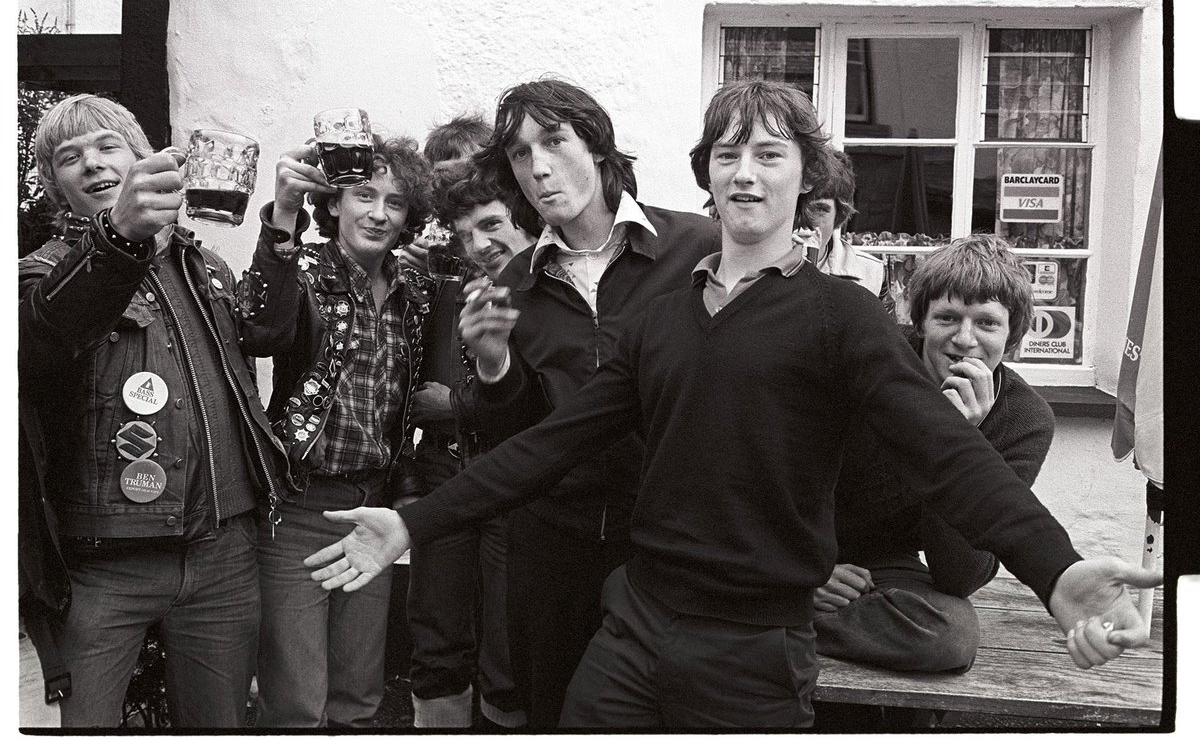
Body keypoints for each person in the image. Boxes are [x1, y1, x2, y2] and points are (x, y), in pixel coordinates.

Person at [303, 80, 1158, 729]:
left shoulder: (842, 316)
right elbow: (552, 442)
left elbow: (952, 453)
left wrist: (1058, 570)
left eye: (770, 155)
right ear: (705, 173)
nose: (745, 175)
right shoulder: (664, 313)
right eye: (727, 155)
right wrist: (415, 523)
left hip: (755, 653)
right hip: (633, 629)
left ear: (806, 177)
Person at [442, 78, 719, 729]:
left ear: (596, 145)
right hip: (551, 559)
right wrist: (492, 365)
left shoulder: (695, 249)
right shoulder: (515, 283)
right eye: (518, 154)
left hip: (666, 550)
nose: (537, 166)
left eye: (553, 140)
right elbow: (514, 440)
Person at [18, 93, 293, 727]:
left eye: (107, 145)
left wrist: (282, 221)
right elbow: (42, 337)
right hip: (102, 564)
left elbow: (270, 333)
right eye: (69, 157)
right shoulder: (41, 272)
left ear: (144, 158)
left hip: (224, 551)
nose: (90, 163)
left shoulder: (203, 265)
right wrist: (118, 239)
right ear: (58, 190)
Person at [811, 234, 1054, 728]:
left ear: (1014, 337)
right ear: (920, 321)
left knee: (951, 635)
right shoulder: (867, 365)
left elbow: (961, 575)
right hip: (800, 543)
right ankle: (774, 603)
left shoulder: (1024, 418)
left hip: (888, 569)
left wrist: (964, 440)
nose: (964, 339)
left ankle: (765, 615)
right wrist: (804, 571)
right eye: (947, 318)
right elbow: (774, 475)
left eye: (986, 322)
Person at [236, 131, 435, 727]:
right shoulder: (299, 268)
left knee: (357, 695)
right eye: (364, 195)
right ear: (334, 203)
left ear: (408, 218)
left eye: (395, 203)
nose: (378, 213)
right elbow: (260, 333)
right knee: (295, 701)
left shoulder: (417, 290)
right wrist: (283, 214)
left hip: (370, 511)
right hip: (297, 506)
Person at [401, 155, 535, 727]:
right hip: (445, 471)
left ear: (523, 217)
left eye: (491, 226)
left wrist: (455, 406)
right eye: (464, 233)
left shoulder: (551, 287)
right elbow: (403, 380)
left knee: (510, 641)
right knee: (437, 633)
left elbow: (547, 402)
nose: (477, 244)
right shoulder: (443, 285)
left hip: (516, 481)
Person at [796, 149, 893, 313]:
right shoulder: (753, 266)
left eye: (820, 209)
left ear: (838, 216)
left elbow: (885, 338)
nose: (806, 220)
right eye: (797, 207)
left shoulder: (870, 273)